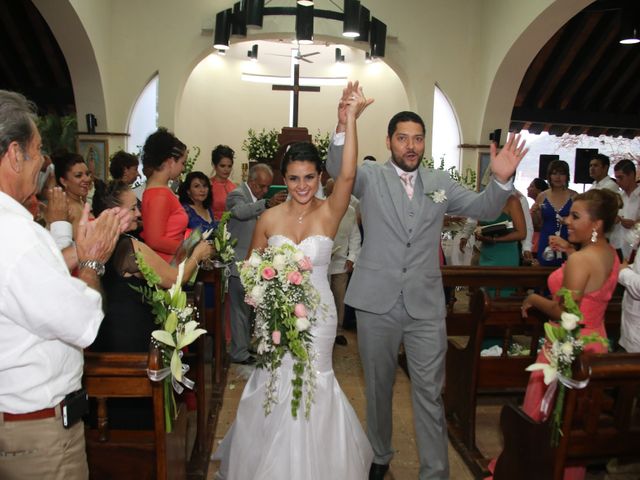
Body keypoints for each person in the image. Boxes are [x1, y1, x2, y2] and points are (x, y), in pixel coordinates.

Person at [326, 85, 528, 479]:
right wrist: (343, 123)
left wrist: (500, 181)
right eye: (403, 138)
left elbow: (484, 207)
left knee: (429, 393)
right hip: (376, 302)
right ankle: (380, 454)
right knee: (378, 389)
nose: (411, 145)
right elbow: (338, 169)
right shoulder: (369, 176)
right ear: (389, 142)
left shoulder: (440, 183)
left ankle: (435, 472)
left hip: (425, 306)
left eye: (418, 138)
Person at [213, 81, 374, 479]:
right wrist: (266, 294)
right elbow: (250, 269)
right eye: (294, 178)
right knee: (275, 379)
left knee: (316, 382)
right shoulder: (269, 218)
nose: (302, 187)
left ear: (319, 175)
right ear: (284, 177)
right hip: (275, 317)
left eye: (309, 177)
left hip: (318, 318)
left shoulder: (330, 212)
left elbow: (350, 173)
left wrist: (349, 120)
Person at [0, 89, 125, 479]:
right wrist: (92, 260)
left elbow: (34, 280)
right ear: (14, 152)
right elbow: (80, 323)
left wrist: (75, 250)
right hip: (37, 432)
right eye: (38, 151)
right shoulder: (15, 232)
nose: (42, 163)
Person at [504, 188, 621, 480]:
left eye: (575, 216)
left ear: (596, 225)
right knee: (574, 425)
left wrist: (533, 299)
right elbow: (593, 292)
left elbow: (563, 312)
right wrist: (570, 252)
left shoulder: (582, 261)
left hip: (566, 348)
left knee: (548, 420)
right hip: (594, 344)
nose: (567, 220)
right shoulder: (608, 253)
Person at [91, 181, 213, 352]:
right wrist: (197, 255)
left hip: (105, 331)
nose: (139, 213)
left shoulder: (93, 241)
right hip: (129, 334)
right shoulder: (129, 247)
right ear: (114, 213)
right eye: (133, 208)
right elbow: (175, 280)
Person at [225, 163, 286, 365]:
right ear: (251, 182)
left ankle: (246, 345)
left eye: (268, 187)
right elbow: (241, 212)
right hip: (239, 264)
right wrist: (267, 204)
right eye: (261, 186)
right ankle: (238, 352)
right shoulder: (237, 194)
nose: (265, 191)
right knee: (239, 311)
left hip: (256, 263)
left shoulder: (259, 198)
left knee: (250, 310)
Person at [140, 128, 189, 263]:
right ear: (171, 161)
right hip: (165, 263)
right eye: (182, 163)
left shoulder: (161, 190)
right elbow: (155, 240)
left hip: (171, 260)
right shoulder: (159, 194)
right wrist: (189, 249)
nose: (183, 168)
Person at [324, 177, 361, 345]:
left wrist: (352, 257)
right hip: (321, 262)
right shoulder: (320, 207)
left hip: (341, 262)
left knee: (339, 298)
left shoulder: (351, 210)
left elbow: (355, 236)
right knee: (323, 298)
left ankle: (338, 331)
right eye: (329, 192)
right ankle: (322, 329)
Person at [474, 193, 526, 296]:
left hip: (505, 253)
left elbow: (522, 233)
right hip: (486, 251)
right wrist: (479, 234)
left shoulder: (512, 201)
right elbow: (480, 226)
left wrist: (496, 239)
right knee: (484, 293)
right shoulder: (483, 200)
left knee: (502, 293)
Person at [531, 160, 577, 267]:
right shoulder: (542, 196)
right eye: (554, 173)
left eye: (561, 173)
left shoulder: (574, 196)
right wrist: (535, 213)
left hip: (568, 240)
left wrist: (568, 220)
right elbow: (537, 225)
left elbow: (580, 222)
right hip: (546, 240)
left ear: (567, 176)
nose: (558, 177)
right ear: (549, 176)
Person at [52, 151, 92, 238]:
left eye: (87, 174)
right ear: (63, 181)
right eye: (78, 176)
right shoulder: (67, 209)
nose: (87, 179)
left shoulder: (80, 202)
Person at [611, 159, 640, 261]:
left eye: (620, 177)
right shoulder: (618, 197)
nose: (618, 182)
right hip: (617, 247)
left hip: (635, 250)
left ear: (631, 175)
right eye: (616, 178)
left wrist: (635, 224)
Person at [210, 144, 236, 221]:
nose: (226, 169)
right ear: (214, 166)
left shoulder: (234, 187)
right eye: (222, 166)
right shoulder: (208, 186)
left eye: (229, 166)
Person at [526, 177, 549, 260]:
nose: (528, 188)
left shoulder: (541, 206)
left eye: (531, 186)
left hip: (537, 243)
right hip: (533, 242)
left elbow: (539, 225)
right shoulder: (534, 206)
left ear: (539, 190)